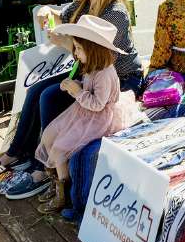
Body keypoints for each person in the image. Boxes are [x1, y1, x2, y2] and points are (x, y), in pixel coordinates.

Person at [0, 0, 142, 198]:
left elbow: (98, 56)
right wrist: (46, 10)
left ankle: (44, 169)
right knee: (37, 89)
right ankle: (20, 150)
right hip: (91, 75)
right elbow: (61, 12)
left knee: (49, 96)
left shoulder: (115, 13)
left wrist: (65, 44)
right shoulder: (85, 1)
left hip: (116, 80)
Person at [33, 15, 143, 214]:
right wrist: (78, 86)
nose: (75, 52)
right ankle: (54, 182)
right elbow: (89, 92)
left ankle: (64, 195)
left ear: (94, 50)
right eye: (76, 47)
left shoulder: (106, 73)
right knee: (48, 135)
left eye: (79, 48)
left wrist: (77, 91)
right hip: (82, 111)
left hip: (97, 118)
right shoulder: (91, 67)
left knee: (59, 149)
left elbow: (98, 104)